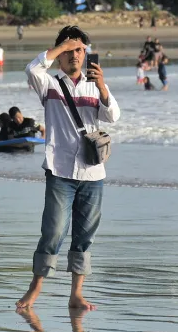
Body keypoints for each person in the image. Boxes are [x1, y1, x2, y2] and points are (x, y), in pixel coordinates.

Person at [17, 26, 121, 312]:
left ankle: (76, 294)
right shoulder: (49, 84)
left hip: (92, 173)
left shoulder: (94, 85)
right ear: (60, 55)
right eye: (69, 50)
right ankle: (35, 288)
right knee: (53, 232)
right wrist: (61, 46)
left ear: (86, 53)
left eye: (79, 50)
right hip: (60, 169)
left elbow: (112, 116)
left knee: (85, 234)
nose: (75, 55)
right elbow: (31, 69)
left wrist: (102, 87)